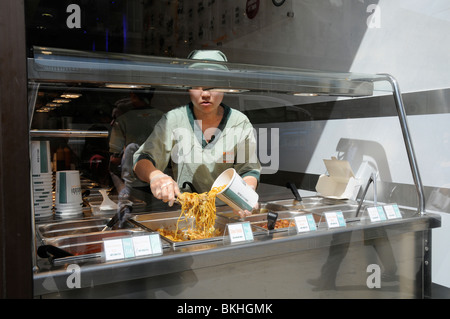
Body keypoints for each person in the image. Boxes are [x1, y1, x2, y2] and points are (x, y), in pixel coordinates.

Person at [133, 50, 261, 217]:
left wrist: (246, 192)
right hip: (186, 213)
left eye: (213, 85)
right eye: (197, 84)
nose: (205, 93)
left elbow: (248, 170)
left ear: (225, 87)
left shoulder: (239, 122)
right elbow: (142, 159)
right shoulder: (174, 119)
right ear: (188, 87)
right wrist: (155, 176)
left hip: (227, 211)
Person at [109, 90, 165, 208]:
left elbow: (114, 159)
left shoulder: (123, 120)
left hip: (133, 184)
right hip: (161, 182)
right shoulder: (163, 117)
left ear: (133, 95)